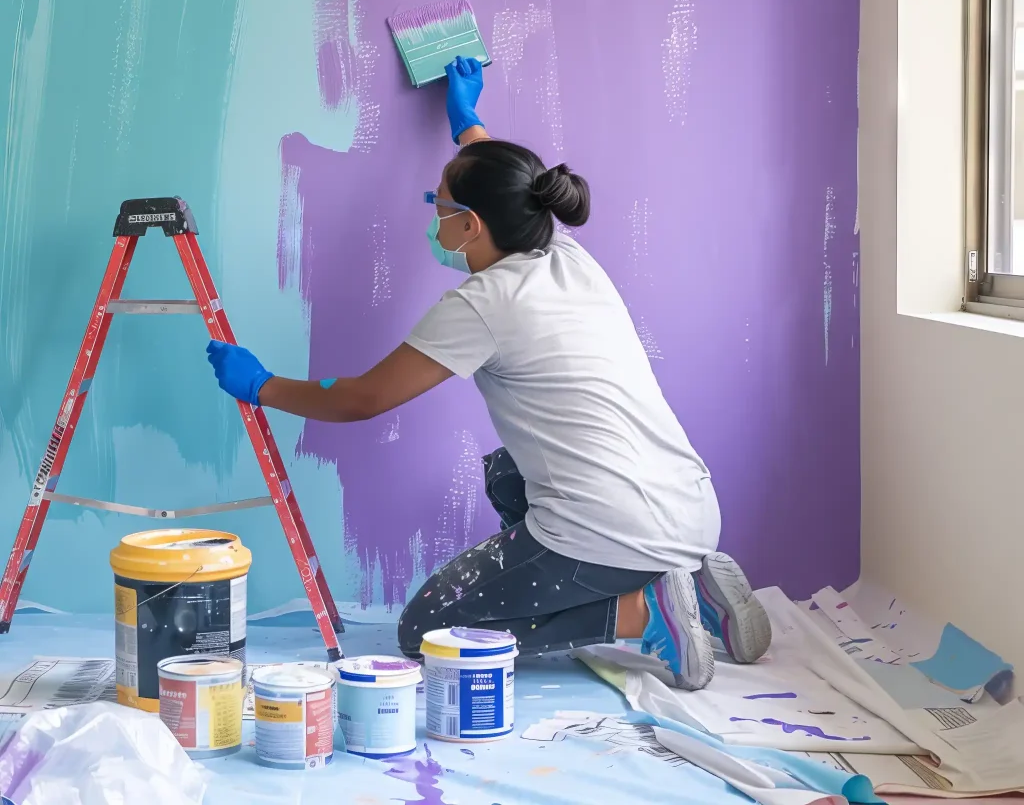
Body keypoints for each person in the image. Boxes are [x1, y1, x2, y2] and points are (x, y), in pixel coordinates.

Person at [206, 55, 771, 690]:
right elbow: (504, 178)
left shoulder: (481, 304)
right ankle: (692, 581)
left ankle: (642, 609)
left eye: (438, 204)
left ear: (470, 226)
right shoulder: (562, 251)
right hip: (690, 506)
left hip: (612, 523)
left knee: (426, 632)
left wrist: (262, 386)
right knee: (507, 472)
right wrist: (466, 120)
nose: (433, 215)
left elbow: (364, 398)